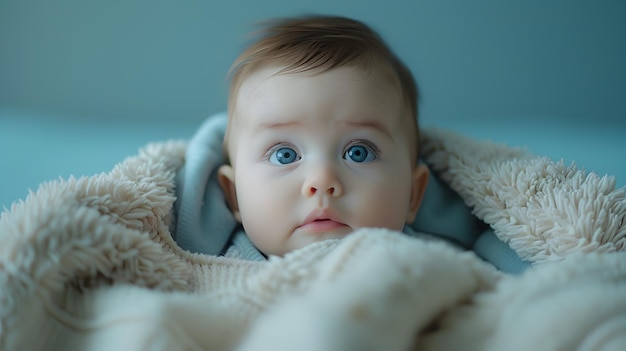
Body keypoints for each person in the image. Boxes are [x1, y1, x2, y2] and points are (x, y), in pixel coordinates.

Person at [216, 15, 430, 259]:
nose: (321, 180)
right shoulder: (205, 280)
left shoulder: (434, 270)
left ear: (413, 194)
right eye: (284, 155)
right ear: (234, 195)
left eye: (358, 153)